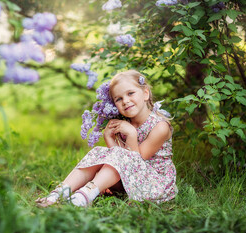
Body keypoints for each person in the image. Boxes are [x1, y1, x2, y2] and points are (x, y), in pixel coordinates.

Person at [35, 70, 178, 207]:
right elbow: (118, 160)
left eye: (130, 93)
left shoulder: (160, 127)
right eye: (119, 99)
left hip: (154, 183)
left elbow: (135, 161)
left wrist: (132, 135)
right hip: (131, 178)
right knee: (97, 151)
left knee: (111, 161)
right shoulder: (124, 123)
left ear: (145, 93)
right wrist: (108, 137)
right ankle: (59, 194)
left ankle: (83, 196)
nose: (125, 101)